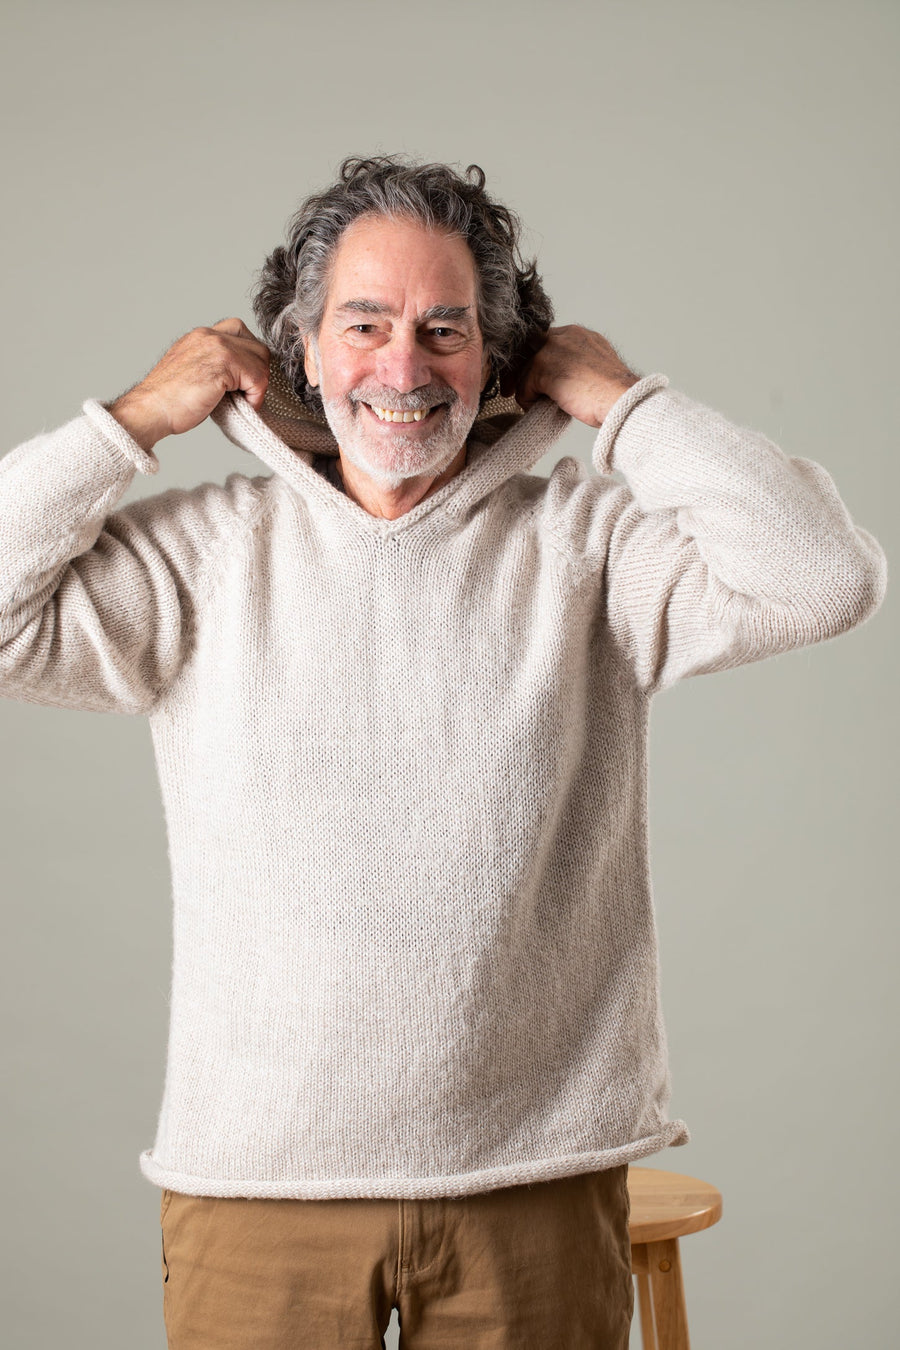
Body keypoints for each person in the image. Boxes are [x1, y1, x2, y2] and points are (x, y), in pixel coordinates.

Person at [0, 154, 887, 1349]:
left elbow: (824, 576)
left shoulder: (585, 545)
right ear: (302, 350)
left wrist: (624, 403)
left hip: (534, 1179)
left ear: (500, 355)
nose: (403, 368)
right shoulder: (205, 557)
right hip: (258, 1191)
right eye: (363, 324)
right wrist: (129, 422)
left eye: (445, 328)